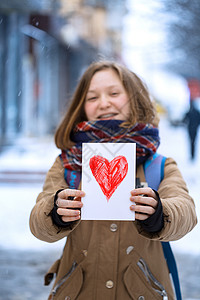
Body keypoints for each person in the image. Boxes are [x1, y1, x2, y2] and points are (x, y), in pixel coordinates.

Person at [29, 61, 197, 300]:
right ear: (82, 106)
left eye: (114, 93)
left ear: (135, 99)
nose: (104, 103)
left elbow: (186, 212)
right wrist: (55, 212)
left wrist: (160, 213)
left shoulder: (158, 165)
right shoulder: (67, 162)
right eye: (92, 97)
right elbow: (39, 225)